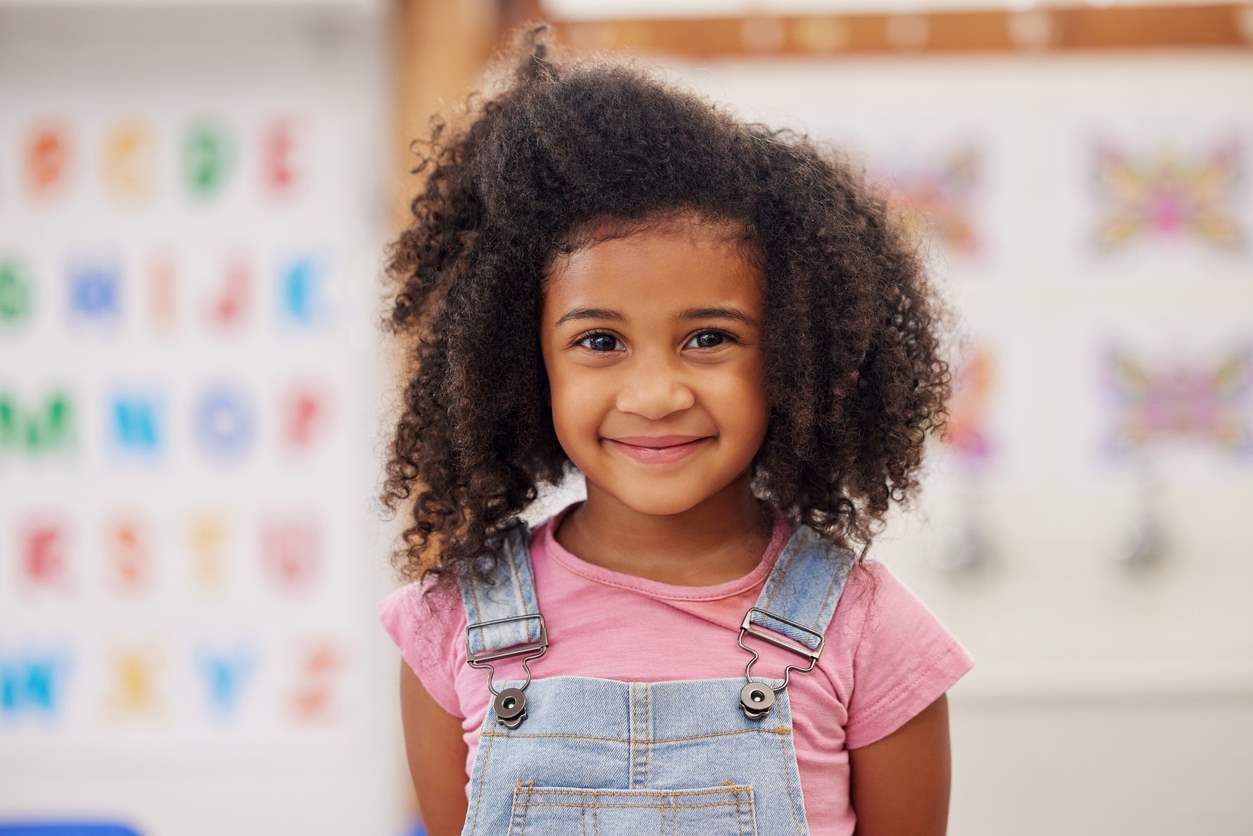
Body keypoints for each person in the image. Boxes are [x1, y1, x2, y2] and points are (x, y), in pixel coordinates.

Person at [377, 22, 974, 836]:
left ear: (796, 353)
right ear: (520, 361)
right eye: (598, 342)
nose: (654, 394)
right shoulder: (448, 625)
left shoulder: (870, 632)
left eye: (709, 338)